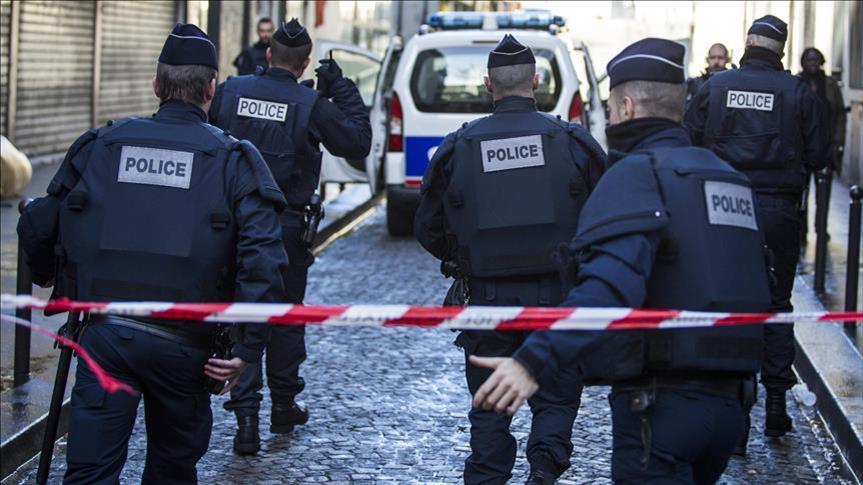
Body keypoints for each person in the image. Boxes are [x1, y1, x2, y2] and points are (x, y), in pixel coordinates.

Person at [469, 37, 772, 484]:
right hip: (729, 411)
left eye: (610, 109)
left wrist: (532, 360)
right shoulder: (728, 178)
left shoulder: (636, 173)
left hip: (660, 409)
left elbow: (610, 286)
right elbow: (760, 287)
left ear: (626, 108)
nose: (610, 119)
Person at [16, 23, 289, 483]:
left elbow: (39, 222)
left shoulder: (101, 144)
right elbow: (263, 260)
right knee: (172, 470)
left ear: (156, 86)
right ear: (211, 89)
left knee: (89, 472)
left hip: (105, 337)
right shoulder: (234, 160)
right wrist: (246, 349)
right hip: (186, 347)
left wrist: (53, 280)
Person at [415, 34, 607, 485]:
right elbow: (606, 216)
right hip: (557, 299)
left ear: (488, 85)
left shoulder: (459, 146)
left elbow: (428, 228)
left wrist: (464, 257)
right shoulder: (572, 142)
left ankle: (487, 476)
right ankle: (544, 466)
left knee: (490, 404)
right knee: (556, 396)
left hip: (487, 301)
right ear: (535, 82)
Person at [209, 17, 371, 455]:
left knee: (243, 313)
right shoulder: (309, 103)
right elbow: (358, 142)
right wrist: (340, 87)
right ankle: (282, 406)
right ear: (304, 64)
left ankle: (246, 418)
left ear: (268, 55)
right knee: (283, 316)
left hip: (230, 226)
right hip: (285, 230)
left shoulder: (230, 92)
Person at [685, 15, 829, 442]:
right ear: (781, 50)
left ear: (746, 43)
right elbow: (821, 155)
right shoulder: (797, 92)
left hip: (721, 207)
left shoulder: (715, 87)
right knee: (777, 304)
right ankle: (776, 404)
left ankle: (736, 412)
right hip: (778, 211)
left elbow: (688, 139)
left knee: (729, 302)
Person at [799, 47, 846, 172]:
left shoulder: (831, 84)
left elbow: (840, 114)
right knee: (800, 179)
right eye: (809, 60)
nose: (813, 63)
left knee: (824, 178)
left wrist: (838, 140)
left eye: (816, 60)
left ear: (821, 62)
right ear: (803, 62)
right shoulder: (796, 82)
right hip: (802, 143)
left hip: (826, 142)